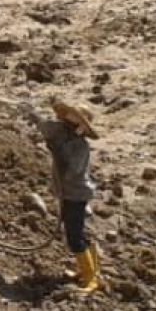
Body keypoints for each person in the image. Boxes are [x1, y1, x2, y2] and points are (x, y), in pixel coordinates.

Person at [20, 97, 102, 293]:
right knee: (77, 232)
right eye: (71, 114)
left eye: (76, 117)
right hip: (67, 194)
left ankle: (91, 278)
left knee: (75, 236)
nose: (70, 118)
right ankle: (86, 271)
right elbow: (45, 126)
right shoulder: (60, 131)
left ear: (82, 126)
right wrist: (31, 114)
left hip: (75, 194)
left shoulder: (80, 146)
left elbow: (71, 169)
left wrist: (56, 148)